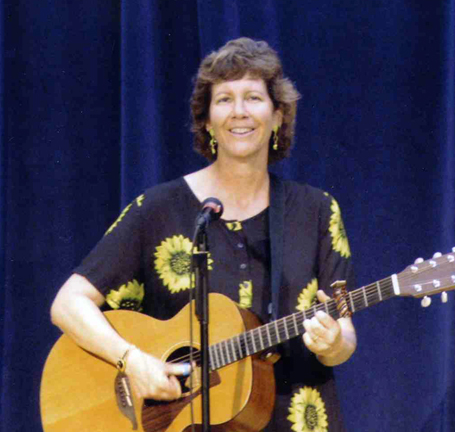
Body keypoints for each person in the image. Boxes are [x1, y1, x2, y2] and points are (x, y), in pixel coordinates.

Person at [51, 37, 357, 432]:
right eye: (225, 99)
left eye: (253, 98)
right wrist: (133, 360)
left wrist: (334, 344)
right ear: (207, 121)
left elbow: (344, 335)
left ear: (278, 116)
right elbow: (68, 304)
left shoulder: (317, 211)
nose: (239, 112)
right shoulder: (158, 209)